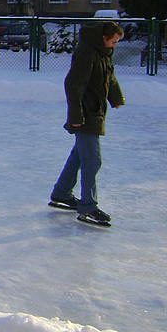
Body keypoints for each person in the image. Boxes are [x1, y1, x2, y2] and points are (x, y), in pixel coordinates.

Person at [49, 21, 125, 226]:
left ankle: (62, 193)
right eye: (113, 41)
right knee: (92, 160)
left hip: (95, 112)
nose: (114, 46)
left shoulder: (102, 53)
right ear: (103, 38)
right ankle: (88, 207)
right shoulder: (87, 53)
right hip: (84, 114)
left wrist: (116, 98)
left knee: (79, 156)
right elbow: (73, 84)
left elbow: (110, 77)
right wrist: (75, 116)